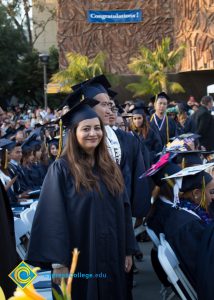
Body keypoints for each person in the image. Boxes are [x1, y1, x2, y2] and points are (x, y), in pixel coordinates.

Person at [27, 100, 136, 300]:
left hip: (112, 252)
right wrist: (58, 262)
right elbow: (52, 217)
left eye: (97, 128)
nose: (93, 133)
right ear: (74, 133)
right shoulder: (61, 169)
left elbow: (124, 209)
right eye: (86, 129)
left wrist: (128, 249)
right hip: (79, 257)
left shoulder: (110, 167)